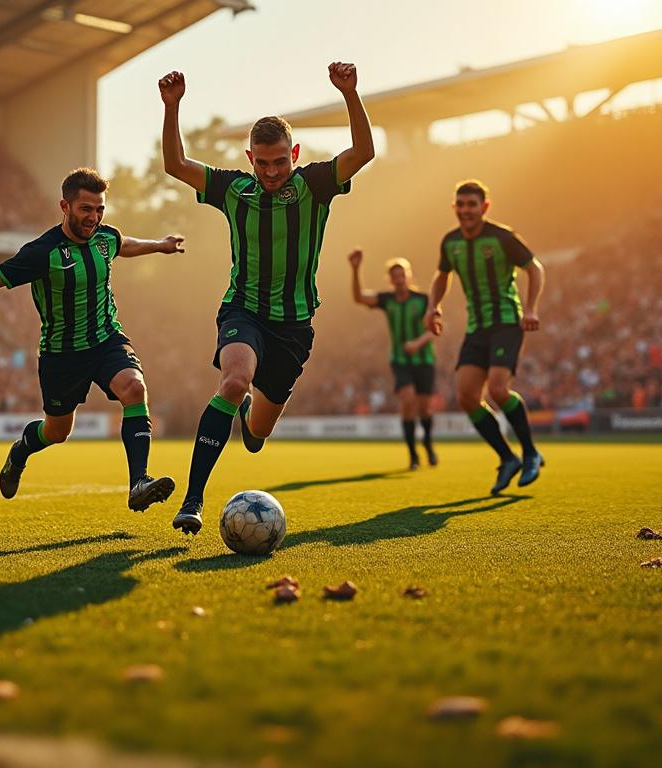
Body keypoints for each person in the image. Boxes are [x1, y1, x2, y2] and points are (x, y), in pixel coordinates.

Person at [158, 63, 374, 534]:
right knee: (234, 382)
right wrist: (172, 108)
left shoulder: (315, 184)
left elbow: (363, 151)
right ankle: (193, 501)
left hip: (295, 326)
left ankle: (249, 417)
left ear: (294, 154)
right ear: (250, 157)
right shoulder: (233, 189)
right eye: (263, 162)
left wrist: (350, 95)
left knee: (256, 435)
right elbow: (176, 165)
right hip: (244, 310)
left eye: (280, 161)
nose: (272, 171)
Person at [0, 168, 184, 512]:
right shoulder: (42, 252)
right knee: (57, 432)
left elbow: (124, 244)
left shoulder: (105, 237)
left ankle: (138, 482)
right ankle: (21, 450)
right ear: (65, 206)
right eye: (86, 209)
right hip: (61, 355)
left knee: (134, 388)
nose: (94, 217)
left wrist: (160, 245)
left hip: (106, 339)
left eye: (100, 209)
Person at [423, 180, 546, 494]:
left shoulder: (502, 237)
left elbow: (535, 269)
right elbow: (442, 275)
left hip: (506, 322)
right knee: (465, 396)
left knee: (498, 389)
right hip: (476, 327)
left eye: (471, 205)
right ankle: (507, 458)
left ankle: (531, 452)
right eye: (460, 205)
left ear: (484, 207)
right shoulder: (450, 242)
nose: (465, 211)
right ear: (455, 208)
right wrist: (432, 307)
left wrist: (530, 309)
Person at [348, 249, 438, 469]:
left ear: (408, 276)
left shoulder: (424, 299)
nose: (399, 280)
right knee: (407, 402)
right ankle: (413, 454)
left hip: (424, 360)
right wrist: (356, 269)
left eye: (402, 275)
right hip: (399, 360)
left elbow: (436, 329)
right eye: (394, 277)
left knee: (425, 408)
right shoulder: (387, 300)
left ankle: (427, 442)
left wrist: (417, 344)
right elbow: (359, 298)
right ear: (390, 280)